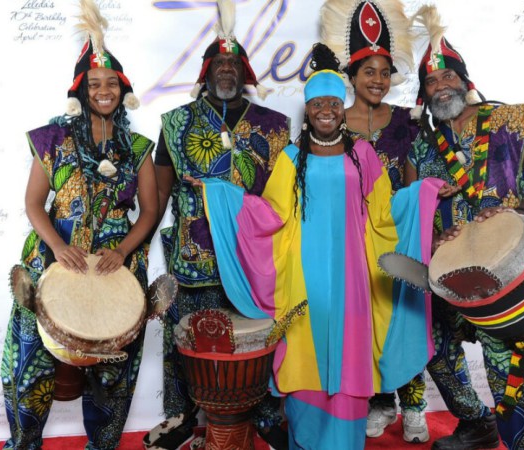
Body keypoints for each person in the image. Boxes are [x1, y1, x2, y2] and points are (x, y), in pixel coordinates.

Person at [192, 43, 447, 450]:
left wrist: (423, 193)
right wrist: (221, 195)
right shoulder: (291, 159)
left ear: (342, 107)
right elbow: (270, 215)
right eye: (316, 103)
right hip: (302, 282)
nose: (325, 109)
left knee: (349, 362)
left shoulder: (364, 156)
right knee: (304, 361)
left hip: (353, 283)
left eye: (333, 102)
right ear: (307, 110)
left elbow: (386, 213)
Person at [0, 1, 159, 448]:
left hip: (114, 265)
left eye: (112, 83)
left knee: (114, 371)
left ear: (123, 89)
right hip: (53, 258)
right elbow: (33, 203)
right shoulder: (53, 139)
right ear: (80, 89)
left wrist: (124, 251)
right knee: (29, 365)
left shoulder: (139, 147)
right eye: (94, 83)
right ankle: (23, 443)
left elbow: (148, 210)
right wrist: (55, 246)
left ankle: (102, 444)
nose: (103, 90)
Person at [405, 6, 524, 450]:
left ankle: (522, 443)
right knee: (429, 346)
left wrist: (521, 216)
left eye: (448, 77)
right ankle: (476, 423)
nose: (440, 86)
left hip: (505, 275)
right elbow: (415, 207)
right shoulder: (422, 146)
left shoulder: (514, 119)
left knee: (503, 364)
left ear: (465, 80)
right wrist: (434, 239)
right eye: (431, 82)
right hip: (450, 275)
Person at [144, 1, 291, 448]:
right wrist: (139, 249)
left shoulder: (274, 126)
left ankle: (266, 415)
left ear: (245, 72)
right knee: (185, 336)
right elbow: (161, 192)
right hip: (195, 253)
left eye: (234, 63)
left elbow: (281, 194)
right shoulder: (176, 122)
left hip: (253, 254)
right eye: (219, 63)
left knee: (258, 335)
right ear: (206, 71)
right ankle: (181, 416)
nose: (226, 70)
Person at [321, 0, 429, 441]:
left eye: (385, 73)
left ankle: (415, 407)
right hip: (348, 243)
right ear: (352, 75)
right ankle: (379, 402)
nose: (378, 81)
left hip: (396, 241)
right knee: (364, 322)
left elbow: (412, 185)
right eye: (369, 72)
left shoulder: (407, 122)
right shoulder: (329, 121)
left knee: (403, 316)